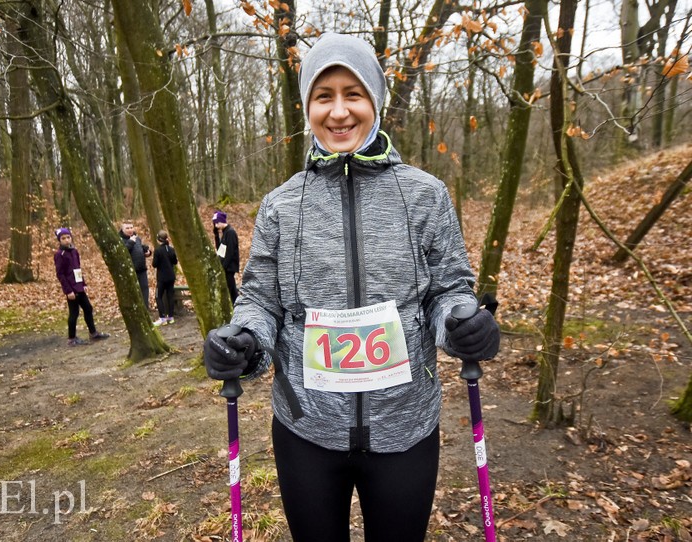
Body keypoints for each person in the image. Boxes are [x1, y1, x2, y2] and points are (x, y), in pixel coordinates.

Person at [202, 33, 500, 542]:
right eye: (324, 96)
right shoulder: (282, 205)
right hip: (307, 430)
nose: (339, 112)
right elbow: (260, 299)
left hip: (405, 426)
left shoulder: (425, 194)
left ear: (375, 101)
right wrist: (246, 340)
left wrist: (462, 324)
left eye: (353, 94)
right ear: (307, 108)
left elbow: (449, 287)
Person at [53, 228, 110, 346]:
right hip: (71, 288)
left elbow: (78, 269)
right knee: (74, 313)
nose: (66, 240)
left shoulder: (74, 251)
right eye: (63, 238)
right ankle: (71, 338)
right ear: (59, 240)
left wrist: (83, 283)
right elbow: (60, 274)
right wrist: (68, 291)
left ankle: (93, 333)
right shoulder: (60, 255)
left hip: (79, 286)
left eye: (68, 237)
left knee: (88, 308)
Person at [119, 221, 152, 310]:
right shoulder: (120, 240)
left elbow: (139, 250)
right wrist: (130, 242)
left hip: (142, 270)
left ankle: (146, 311)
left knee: (145, 291)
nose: (130, 230)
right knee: (134, 294)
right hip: (131, 271)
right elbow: (122, 253)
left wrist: (147, 253)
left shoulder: (136, 238)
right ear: (122, 229)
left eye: (131, 227)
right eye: (127, 228)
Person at [212, 210, 240, 304]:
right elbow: (220, 250)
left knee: (231, 290)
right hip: (226, 267)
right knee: (232, 290)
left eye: (216, 223)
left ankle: (236, 308)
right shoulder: (225, 232)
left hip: (229, 267)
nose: (215, 225)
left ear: (221, 221)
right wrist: (216, 235)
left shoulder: (230, 233)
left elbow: (230, 252)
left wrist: (223, 267)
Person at [152, 230, 178, 325]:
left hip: (162, 278)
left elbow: (154, 264)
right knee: (170, 296)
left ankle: (162, 317)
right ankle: (171, 317)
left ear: (159, 240)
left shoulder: (158, 250)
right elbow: (175, 261)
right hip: (171, 276)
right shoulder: (171, 249)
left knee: (158, 296)